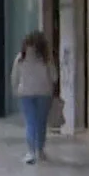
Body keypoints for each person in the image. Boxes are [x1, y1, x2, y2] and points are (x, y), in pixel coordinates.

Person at [12, 31, 57, 164]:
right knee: (41, 123)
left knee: (30, 122)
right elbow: (54, 76)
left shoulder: (20, 58)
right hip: (44, 93)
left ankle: (31, 152)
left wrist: (15, 89)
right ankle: (40, 150)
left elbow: (14, 76)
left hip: (25, 93)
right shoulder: (46, 59)